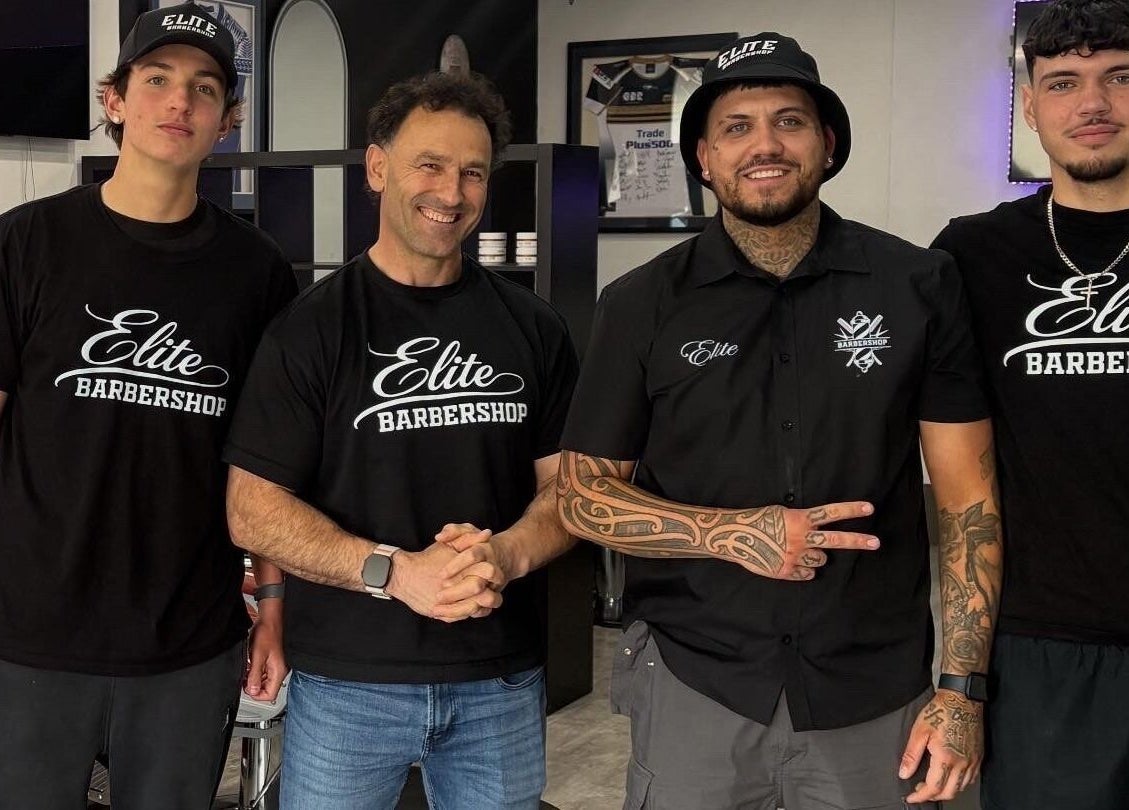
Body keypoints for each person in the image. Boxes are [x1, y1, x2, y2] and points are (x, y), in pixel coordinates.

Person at [557, 32, 1003, 809]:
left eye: (789, 121)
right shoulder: (637, 305)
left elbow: (967, 500)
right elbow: (581, 496)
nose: (764, 144)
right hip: (697, 681)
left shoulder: (917, 284)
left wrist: (961, 693)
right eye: (736, 127)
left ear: (827, 145)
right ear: (702, 157)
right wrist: (731, 533)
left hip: (875, 687)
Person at [223, 70, 579, 810]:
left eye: (472, 172)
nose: (451, 192)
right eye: (430, 164)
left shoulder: (535, 329)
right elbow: (253, 509)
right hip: (350, 687)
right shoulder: (310, 329)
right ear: (377, 168)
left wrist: (503, 555)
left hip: (501, 681)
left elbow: (569, 491)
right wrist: (396, 572)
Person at [0, 2, 296, 807]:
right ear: (115, 99)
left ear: (228, 120)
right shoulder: (26, 243)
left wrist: (271, 604)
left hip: (188, 638)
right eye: (157, 79)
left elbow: (269, 460)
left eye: (204, 88)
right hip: (28, 632)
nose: (179, 103)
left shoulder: (257, 272)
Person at [932, 1, 1129, 807]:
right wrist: (960, 684)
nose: (1092, 103)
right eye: (1063, 82)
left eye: (1120, 77)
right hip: (1045, 647)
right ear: (1030, 108)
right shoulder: (972, 256)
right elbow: (960, 490)